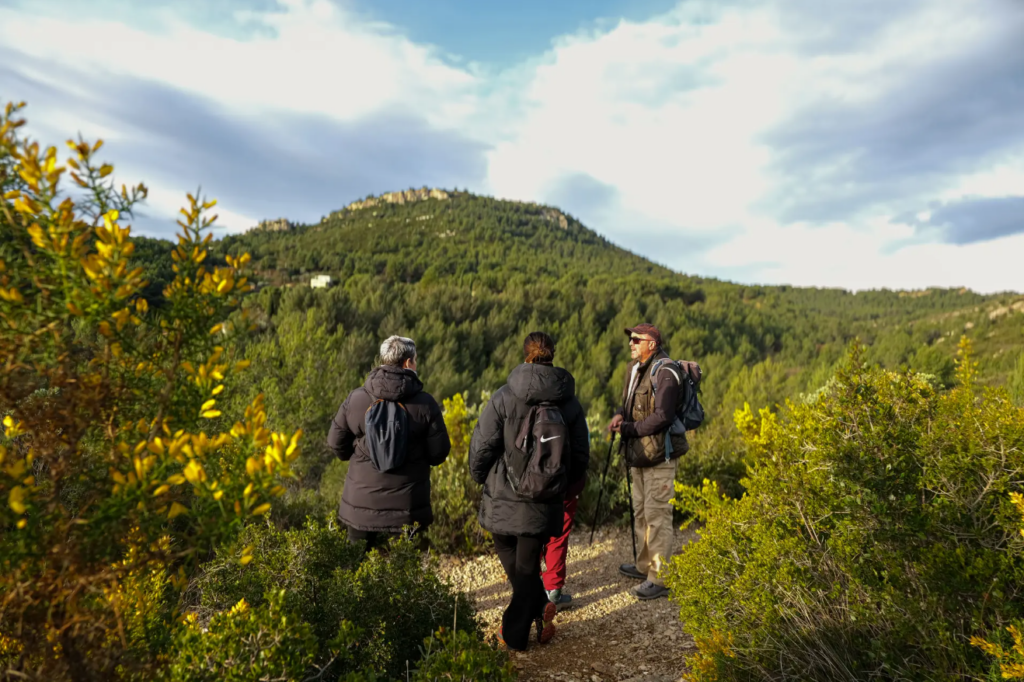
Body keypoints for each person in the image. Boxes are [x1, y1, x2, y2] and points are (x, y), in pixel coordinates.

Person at [470, 332, 590, 651]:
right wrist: (561, 487)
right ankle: (538, 602)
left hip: (503, 495)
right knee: (526, 568)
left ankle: (514, 636)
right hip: (545, 498)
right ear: (553, 355)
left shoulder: (504, 396)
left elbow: (482, 444)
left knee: (516, 564)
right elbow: (580, 455)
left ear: (525, 355)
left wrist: (480, 477)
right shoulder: (569, 401)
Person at [327, 335, 451, 551]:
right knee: (403, 568)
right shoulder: (425, 404)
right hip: (407, 504)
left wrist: (359, 452)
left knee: (355, 568)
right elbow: (439, 452)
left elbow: (335, 442)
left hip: (361, 502)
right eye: (415, 360)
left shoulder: (356, 399)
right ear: (407, 363)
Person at [609, 323, 687, 600]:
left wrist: (628, 429)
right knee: (641, 512)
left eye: (636, 340)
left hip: (659, 457)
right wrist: (620, 414)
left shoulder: (665, 371)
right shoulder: (634, 369)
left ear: (651, 344)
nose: (631, 344)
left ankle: (660, 578)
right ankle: (644, 566)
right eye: (630, 339)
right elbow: (629, 403)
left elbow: (663, 416)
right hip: (639, 455)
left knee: (657, 516)